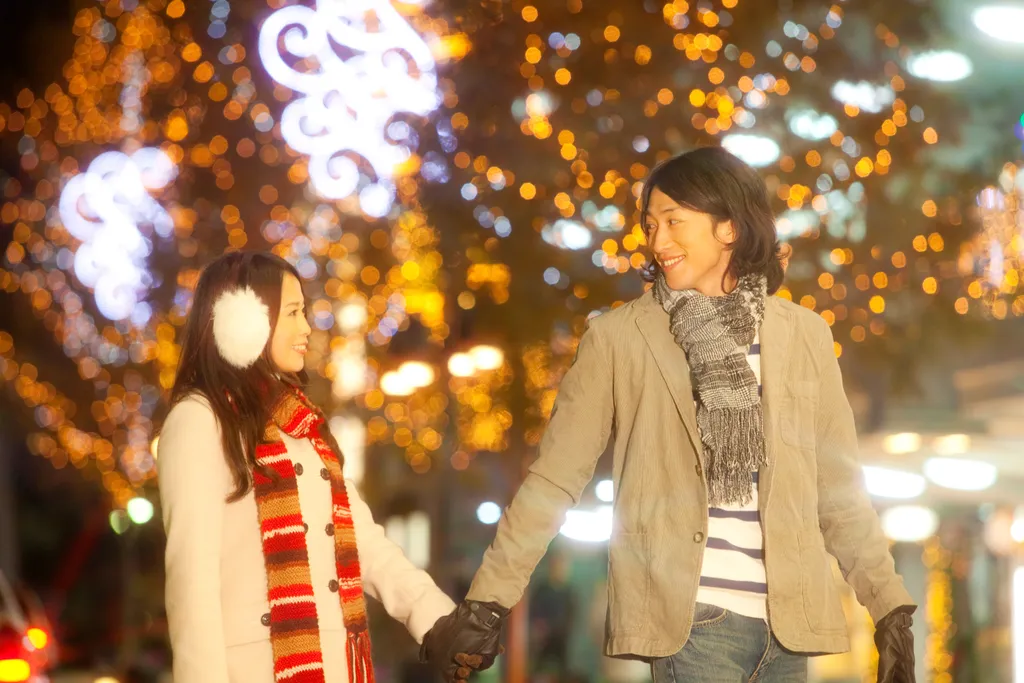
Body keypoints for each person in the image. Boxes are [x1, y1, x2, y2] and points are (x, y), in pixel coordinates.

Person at [422, 147, 917, 683]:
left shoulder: (803, 335)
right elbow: (555, 479)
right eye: (651, 225)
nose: (658, 242)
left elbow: (838, 490)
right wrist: (487, 602)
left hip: (788, 629)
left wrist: (890, 609)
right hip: (694, 621)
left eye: (674, 222)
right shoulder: (620, 338)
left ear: (728, 228)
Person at [158, 251, 479, 683]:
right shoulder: (200, 419)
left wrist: (439, 620)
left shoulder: (302, 427)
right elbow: (190, 584)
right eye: (293, 313)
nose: (307, 328)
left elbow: (363, 542)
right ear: (243, 321)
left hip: (337, 666)